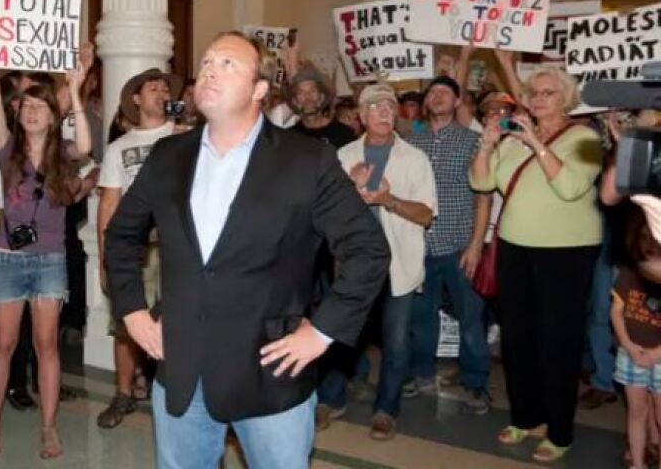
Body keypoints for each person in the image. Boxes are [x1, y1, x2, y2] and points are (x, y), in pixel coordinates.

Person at [104, 31, 391, 468]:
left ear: (260, 90)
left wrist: (322, 332)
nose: (209, 71)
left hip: (270, 372)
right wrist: (132, 310)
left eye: (227, 64)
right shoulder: (168, 156)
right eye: (205, 63)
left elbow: (367, 250)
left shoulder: (306, 160)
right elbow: (122, 234)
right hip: (183, 370)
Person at [470, 67, 603, 462]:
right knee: (517, 340)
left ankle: (559, 431)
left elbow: (569, 187)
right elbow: (481, 183)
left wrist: (536, 143)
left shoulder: (585, 138)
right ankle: (526, 417)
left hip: (566, 255)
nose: (540, 98)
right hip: (515, 250)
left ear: (566, 98)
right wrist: (488, 144)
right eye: (534, 92)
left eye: (549, 92)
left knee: (558, 343)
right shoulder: (511, 138)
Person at [0, 22, 91, 459]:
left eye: (38, 105)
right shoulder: (7, 150)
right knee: (2, 346)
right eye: (24, 105)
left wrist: (75, 89)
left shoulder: (64, 155)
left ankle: (49, 428)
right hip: (7, 259)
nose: (29, 110)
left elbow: (84, 142)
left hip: (49, 261)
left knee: (47, 347)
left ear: (52, 113)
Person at [327, 84, 436, 439]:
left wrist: (388, 200)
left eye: (390, 106)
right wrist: (351, 192)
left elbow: (424, 215)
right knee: (342, 335)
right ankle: (331, 399)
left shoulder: (415, 159)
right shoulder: (343, 157)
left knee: (397, 341)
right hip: (352, 265)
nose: (384, 112)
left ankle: (386, 408)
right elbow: (326, 213)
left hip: (398, 266)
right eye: (375, 107)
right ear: (361, 116)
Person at [97, 67, 182, 429]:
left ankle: (177, 391)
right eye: (153, 87)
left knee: (181, 322)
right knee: (128, 323)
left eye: (166, 87)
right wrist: (106, 260)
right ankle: (123, 393)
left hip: (181, 247)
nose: (162, 91)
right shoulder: (119, 148)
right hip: (138, 249)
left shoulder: (186, 137)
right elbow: (109, 206)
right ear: (136, 98)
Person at [405, 75, 492, 414]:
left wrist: (476, 246)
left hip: (460, 246)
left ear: (458, 102)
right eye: (433, 93)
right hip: (420, 248)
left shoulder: (473, 141)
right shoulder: (412, 142)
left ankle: (476, 383)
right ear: (426, 102)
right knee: (420, 318)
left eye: (445, 93)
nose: (438, 96)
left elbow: (483, 198)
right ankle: (421, 374)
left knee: (471, 319)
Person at [612, 209, 661, 469]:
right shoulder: (629, 274)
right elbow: (616, 311)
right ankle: (638, 463)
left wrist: (656, 354)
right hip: (631, 352)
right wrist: (628, 345)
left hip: (659, 356)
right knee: (637, 410)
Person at [287, 67, 355, 148]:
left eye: (312, 91)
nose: (308, 97)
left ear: (322, 97)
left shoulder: (343, 133)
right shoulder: (288, 138)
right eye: (301, 92)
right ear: (294, 101)